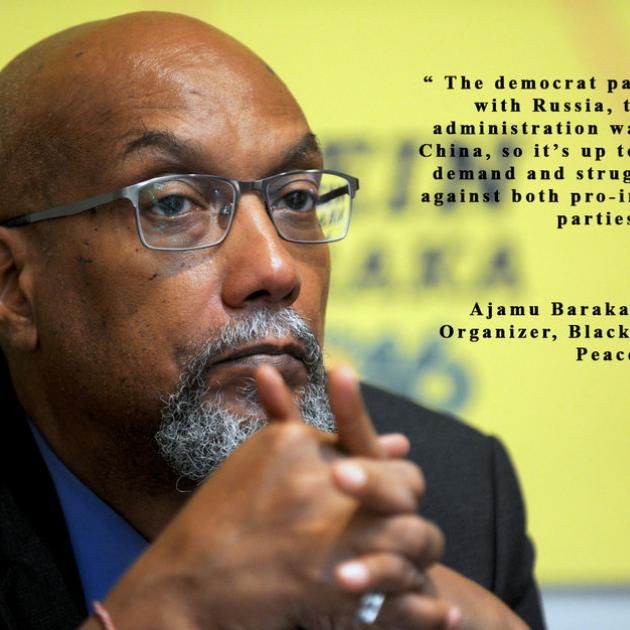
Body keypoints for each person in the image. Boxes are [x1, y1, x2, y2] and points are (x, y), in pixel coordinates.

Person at [0, 11, 545, 630]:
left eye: (296, 199)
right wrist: (172, 607)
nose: (276, 267)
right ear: (15, 286)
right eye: (174, 204)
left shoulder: (451, 497)